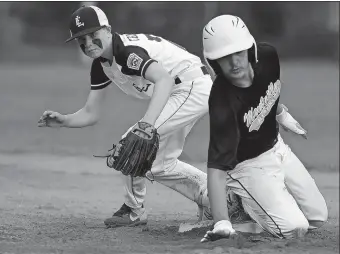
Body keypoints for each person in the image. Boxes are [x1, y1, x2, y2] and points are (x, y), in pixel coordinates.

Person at [38, 6, 309, 229]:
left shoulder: (126, 52)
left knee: (130, 143)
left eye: (92, 34)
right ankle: (223, 201)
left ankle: (133, 211)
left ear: (108, 29)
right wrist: (64, 120)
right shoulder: (102, 66)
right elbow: (91, 113)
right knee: (159, 166)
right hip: (181, 91)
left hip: (191, 87)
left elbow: (164, 79)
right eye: (81, 40)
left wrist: (147, 124)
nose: (88, 43)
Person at [200, 15, 328, 242]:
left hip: (276, 147)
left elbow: (267, 89)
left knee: (317, 218)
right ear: (213, 62)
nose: (234, 62)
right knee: (293, 229)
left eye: (238, 52)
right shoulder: (222, 101)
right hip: (247, 166)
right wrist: (222, 221)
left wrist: (281, 115)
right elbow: (217, 167)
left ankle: (248, 200)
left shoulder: (268, 56)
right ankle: (234, 205)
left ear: (250, 50)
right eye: (224, 57)